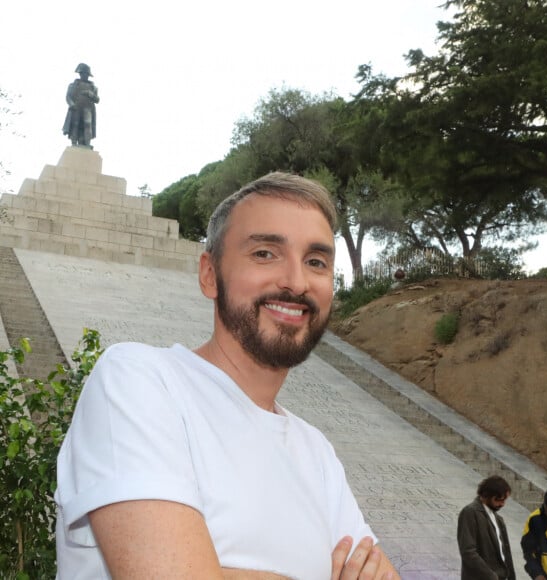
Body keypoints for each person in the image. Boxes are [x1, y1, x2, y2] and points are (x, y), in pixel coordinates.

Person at [55, 172, 400, 579]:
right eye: (265, 253)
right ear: (209, 274)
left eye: (316, 261)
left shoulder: (318, 453)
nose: (295, 281)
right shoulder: (138, 380)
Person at [457, 475, 516, 579]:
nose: (502, 504)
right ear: (486, 495)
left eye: (504, 500)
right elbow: (468, 552)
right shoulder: (470, 513)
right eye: (498, 500)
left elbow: (505, 553)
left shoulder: (498, 519)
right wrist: (491, 576)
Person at [62, 63, 99, 148]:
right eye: (82, 73)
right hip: (76, 108)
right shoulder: (73, 85)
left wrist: (90, 94)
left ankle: (87, 144)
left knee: (88, 125)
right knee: (75, 124)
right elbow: (68, 97)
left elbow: (97, 100)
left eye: (86, 74)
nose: (84, 75)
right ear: (80, 74)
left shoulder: (93, 87)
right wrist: (71, 104)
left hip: (88, 109)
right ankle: (74, 143)